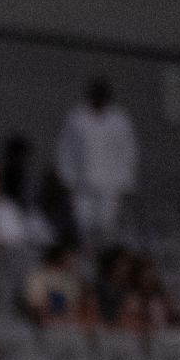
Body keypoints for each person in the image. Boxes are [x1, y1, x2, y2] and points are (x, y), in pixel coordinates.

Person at [56, 79, 137, 244]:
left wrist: (127, 185)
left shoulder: (119, 120)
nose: (98, 98)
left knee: (107, 227)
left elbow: (128, 154)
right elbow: (66, 151)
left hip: (111, 185)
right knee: (83, 224)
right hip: (82, 183)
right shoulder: (77, 117)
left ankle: (105, 261)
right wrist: (66, 180)